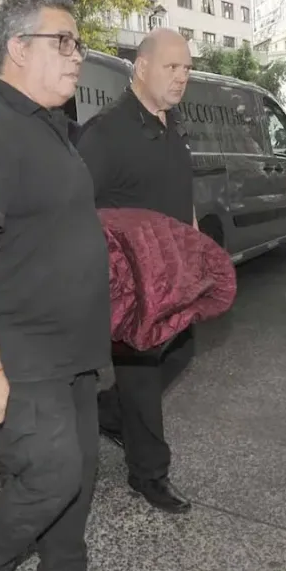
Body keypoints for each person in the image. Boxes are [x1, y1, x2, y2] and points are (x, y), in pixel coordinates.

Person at [0, 0, 139, 571]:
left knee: (79, 476)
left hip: (73, 350)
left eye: (78, 43)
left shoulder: (52, 127)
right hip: (20, 352)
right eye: (65, 41)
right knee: (50, 475)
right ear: (18, 47)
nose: (77, 56)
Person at [76, 27, 196, 515]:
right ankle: (149, 474)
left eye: (186, 69)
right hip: (132, 284)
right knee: (142, 373)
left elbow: (181, 197)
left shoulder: (171, 125)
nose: (181, 77)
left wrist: (195, 255)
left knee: (182, 350)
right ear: (141, 68)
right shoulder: (106, 133)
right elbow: (73, 208)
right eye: (172, 67)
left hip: (173, 274)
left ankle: (109, 411)